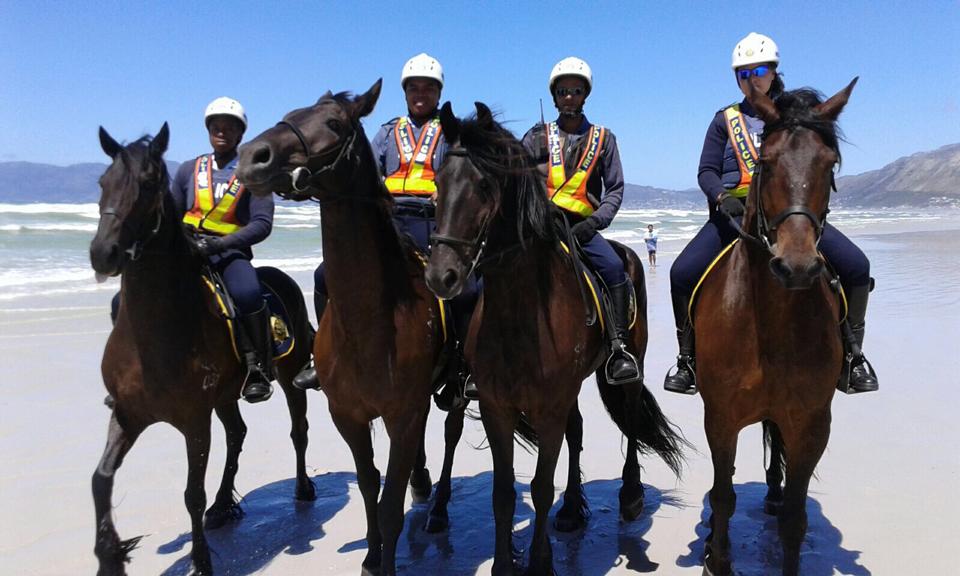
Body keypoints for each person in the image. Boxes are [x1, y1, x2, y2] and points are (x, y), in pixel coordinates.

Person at [663, 32, 878, 396]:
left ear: (774, 71)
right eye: (742, 73)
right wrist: (720, 196)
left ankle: (854, 356)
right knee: (682, 273)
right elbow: (706, 171)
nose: (751, 79)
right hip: (733, 217)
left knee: (857, 267)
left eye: (758, 70)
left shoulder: (797, 117)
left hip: (787, 215)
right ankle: (687, 359)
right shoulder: (724, 120)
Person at [296, 53, 480, 403]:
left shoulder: (449, 133)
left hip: (432, 222)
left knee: (467, 289)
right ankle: (324, 354)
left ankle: (460, 363)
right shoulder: (386, 133)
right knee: (324, 276)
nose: (420, 94)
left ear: (438, 93)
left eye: (428, 88)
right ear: (405, 92)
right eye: (414, 88)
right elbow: (368, 175)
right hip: (388, 222)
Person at [521, 56, 641, 386]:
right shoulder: (535, 137)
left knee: (615, 270)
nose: (569, 96)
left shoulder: (604, 139)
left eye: (575, 90)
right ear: (555, 96)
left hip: (581, 230)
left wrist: (596, 222)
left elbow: (615, 189)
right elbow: (516, 181)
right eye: (562, 91)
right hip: (540, 228)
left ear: (585, 94)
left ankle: (618, 349)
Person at [176, 97, 277, 403]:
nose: (222, 131)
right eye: (216, 126)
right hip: (188, 252)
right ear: (208, 130)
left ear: (239, 134)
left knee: (247, 293)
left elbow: (262, 224)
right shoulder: (187, 170)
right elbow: (170, 215)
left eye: (229, 127)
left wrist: (221, 243)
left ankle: (257, 366)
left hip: (228, 254)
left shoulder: (254, 173)